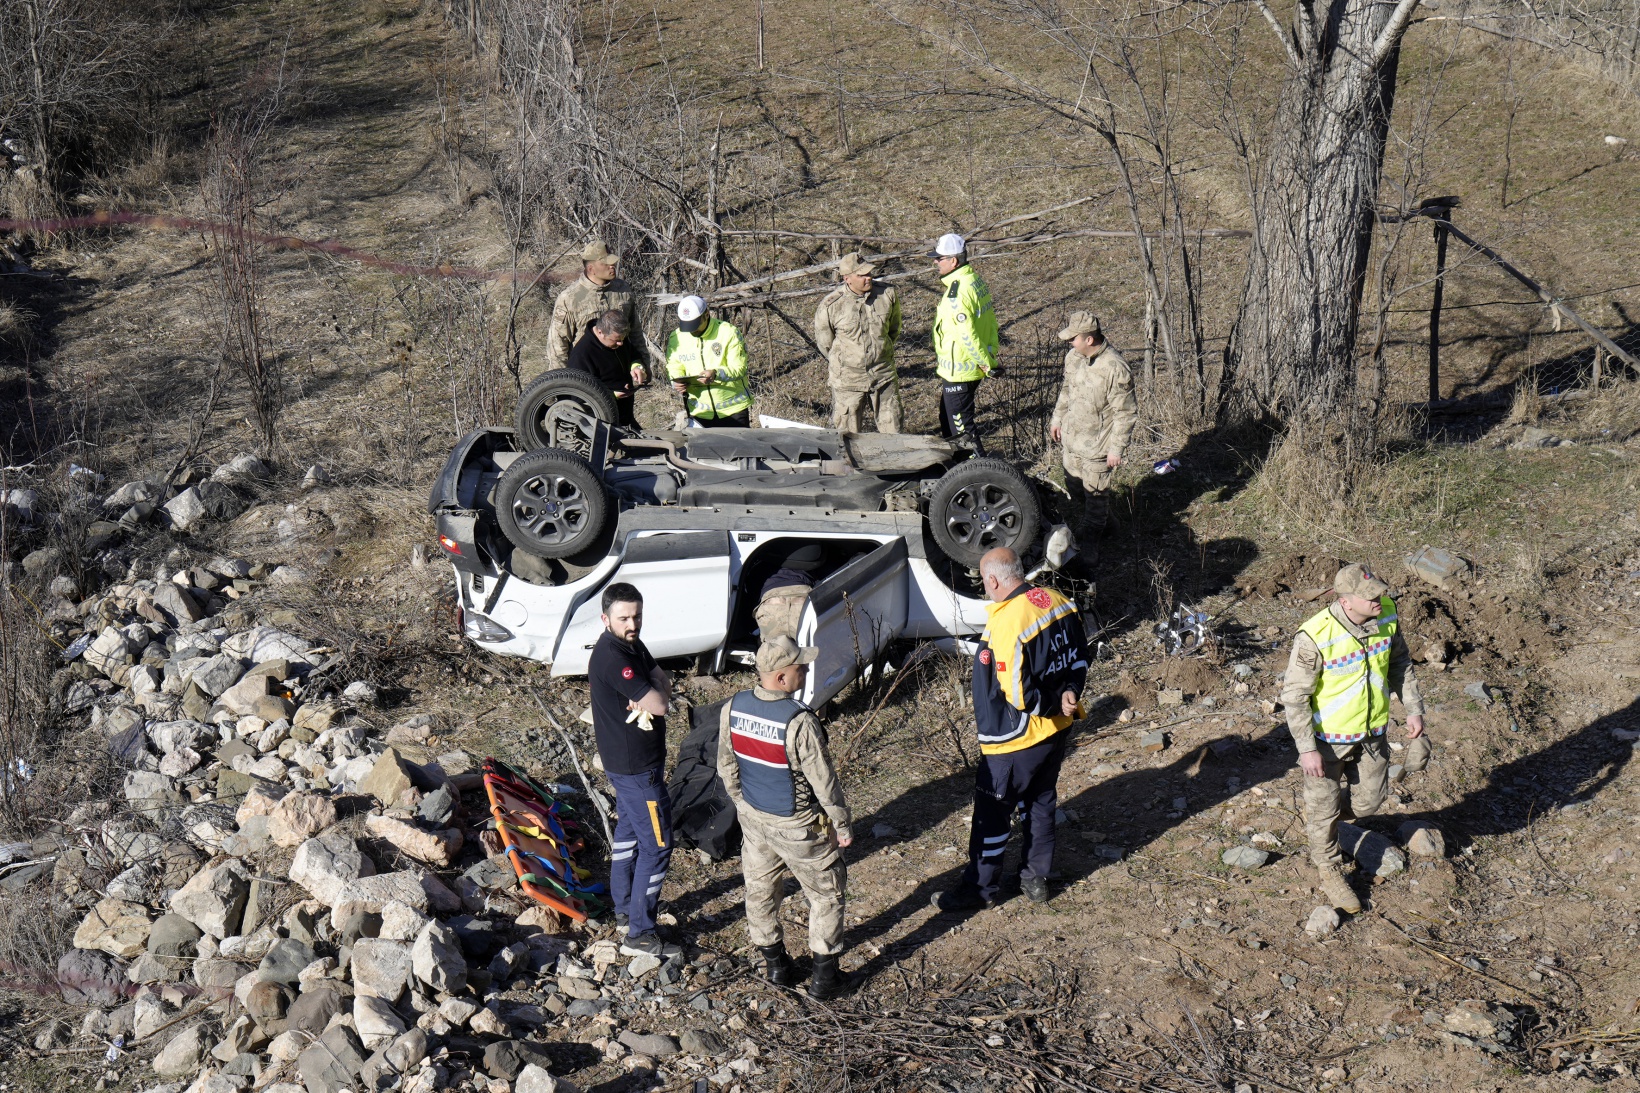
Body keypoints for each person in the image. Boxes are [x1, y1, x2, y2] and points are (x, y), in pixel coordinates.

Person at [935, 548, 1087, 911]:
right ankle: (1036, 878)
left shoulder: (1009, 621)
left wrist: (1048, 702)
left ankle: (980, 890)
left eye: (982, 582)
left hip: (1015, 738)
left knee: (992, 811)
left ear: (993, 580)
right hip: (1058, 727)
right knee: (1040, 801)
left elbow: (1016, 692)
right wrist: (1068, 693)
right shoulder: (1057, 599)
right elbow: (1080, 654)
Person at [1281, 563, 1427, 915]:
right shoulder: (1315, 635)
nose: (1379, 599)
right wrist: (1306, 750)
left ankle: (1327, 822)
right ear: (1345, 601)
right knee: (1323, 808)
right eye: (1369, 596)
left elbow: (1400, 663)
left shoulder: (1387, 616)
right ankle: (1329, 869)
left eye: (1379, 591)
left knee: (1367, 805)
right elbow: (1295, 696)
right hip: (1327, 743)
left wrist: (1413, 708)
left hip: (1372, 735)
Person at [717, 635, 853, 999]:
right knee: (826, 894)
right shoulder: (799, 721)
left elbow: (726, 764)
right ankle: (824, 980)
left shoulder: (733, 708)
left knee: (759, 889)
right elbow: (823, 782)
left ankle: (776, 966)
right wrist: (841, 824)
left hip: (755, 819)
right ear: (780, 677)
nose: (806, 671)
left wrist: (742, 804)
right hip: (796, 825)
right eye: (800, 668)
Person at [587, 582, 678, 957]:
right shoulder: (613, 656)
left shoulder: (632, 643)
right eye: (624, 617)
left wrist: (657, 690)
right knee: (657, 845)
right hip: (636, 770)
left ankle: (624, 909)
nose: (632, 623)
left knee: (627, 834)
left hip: (629, 767)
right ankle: (639, 934)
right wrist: (655, 692)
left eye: (637, 615)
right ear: (605, 618)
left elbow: (662, 683)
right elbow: (659, 704)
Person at [1050, 311, 1136, 539]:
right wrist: (1057, 419)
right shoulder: (1073, 358)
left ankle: (1090, 544)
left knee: (1096, 499)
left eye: (1073, 338)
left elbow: (1125, 412)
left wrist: (1116, 449)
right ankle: (1110, 526)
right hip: (1072, 441)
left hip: (1098, 448)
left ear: (1089, 339)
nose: (1069, 342)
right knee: (1076, 489)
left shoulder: (1114, 368)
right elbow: (1066, 391)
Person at [538, 239, 655, 379]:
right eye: (605, 263)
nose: (612, 266)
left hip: (620, 375)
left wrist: (643, 364)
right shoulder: (570, 299)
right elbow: (558, 346)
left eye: (612, 262)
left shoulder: (623, 291)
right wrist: (563, 386)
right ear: (591, 269)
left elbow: (635, 332)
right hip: (587, 380)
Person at [813, 252, 903, 434]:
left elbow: (893, 330)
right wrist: (850, 360)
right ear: (847, 278)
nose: (868, 278)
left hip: (882, 374)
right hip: (848, 380)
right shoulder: (831, 306)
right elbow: (826, 344)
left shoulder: (887, 295)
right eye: (861, 275)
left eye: (869, 273)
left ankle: (892, 463)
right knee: (846, 437)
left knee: (894, 432)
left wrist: (879, 353)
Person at [928, 233, 999, 455]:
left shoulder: (958, 292)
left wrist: (986, 364)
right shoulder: (974, 281)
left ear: (953, 261)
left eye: (939, 258)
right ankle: (959, 473)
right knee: (948, 422)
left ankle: (979, 474)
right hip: (966, 368)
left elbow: (967, 335)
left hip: (961, 371)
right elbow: (991, 323)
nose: (935, 262)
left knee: (962, 432)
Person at [666, 295, 753, 428]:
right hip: (699, 412)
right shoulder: (676, 337)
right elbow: (674, 365)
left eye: (695, 325)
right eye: (687, 326)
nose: (692, 330)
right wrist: (676, 381)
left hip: (733, 411)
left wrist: (715, 374)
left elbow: (739, 368)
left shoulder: (728, 332)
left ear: (706, 314)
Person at [567, 310, 649, 428]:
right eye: (616, 340)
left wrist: (637, 367)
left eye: (623, 339)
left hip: (626, 417)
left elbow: (633, 355)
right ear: (600, 332)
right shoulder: (581, 356)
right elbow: (579, 399)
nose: (621, 343)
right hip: (601, 424)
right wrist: (612, 395)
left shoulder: (618, 337)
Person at [754, 543, 824, 642]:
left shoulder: (760, 564)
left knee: (774, 652)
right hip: (802, 603)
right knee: (807, 651)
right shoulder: (814, 560)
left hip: (772, 604)